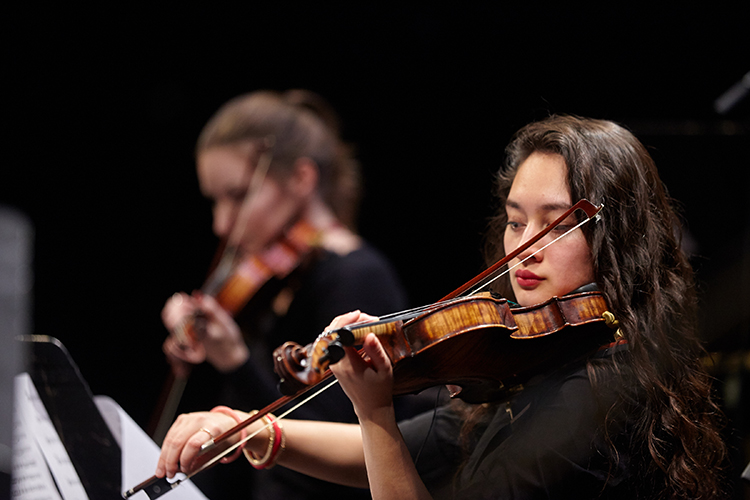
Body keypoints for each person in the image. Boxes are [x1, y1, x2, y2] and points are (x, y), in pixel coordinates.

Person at [155, 115, 727, 499]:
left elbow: (388, 444)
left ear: (616, 236)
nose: (524, 245)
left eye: (556, 224)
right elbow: (417, 445)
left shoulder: (598, 398)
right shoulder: (534, 361)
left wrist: (376, 412)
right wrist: (257, 434)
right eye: (515, 221)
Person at [158, 90, 412, 500]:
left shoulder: (356, 277)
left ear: (301, 179)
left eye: (238, 196)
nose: (222, 224)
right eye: (215, 200)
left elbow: (333, 446)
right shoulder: (280, 276)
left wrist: (236, 361)